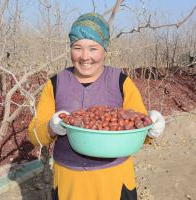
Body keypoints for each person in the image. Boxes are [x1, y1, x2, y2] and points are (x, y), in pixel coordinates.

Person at [28, 12, 165, 200]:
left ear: (104, 49)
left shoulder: (121, 81)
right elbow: (34, 135)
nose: (85, 57)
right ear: (70, 49)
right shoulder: (55, 83)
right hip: (69, 182)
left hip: (115, 180)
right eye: (78, 48)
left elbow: (138, 128)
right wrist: (51, 127)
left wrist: (151, 129)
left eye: (93, 48)